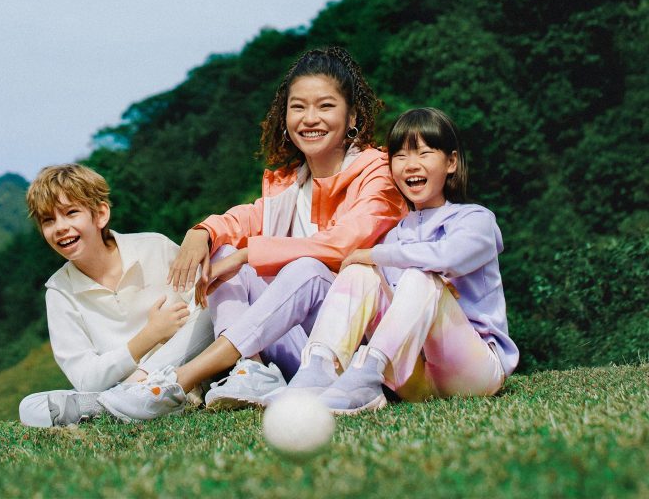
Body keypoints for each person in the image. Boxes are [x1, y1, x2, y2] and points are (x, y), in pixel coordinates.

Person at [96, 46, 407, 421]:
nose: (310, 119)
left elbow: (345, 244)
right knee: (223, 254)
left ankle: (180, 380)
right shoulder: (288, 184)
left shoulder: (380, 172)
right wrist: (204, 231)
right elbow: (245, 219)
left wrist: (249, 254)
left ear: (352, 115)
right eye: (298, 107)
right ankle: (251, 370)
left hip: (362, 345)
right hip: (303, 349)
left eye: (325, 106)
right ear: (284, 115)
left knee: (303, 267)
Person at [280, 107, 518, 413]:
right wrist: (370, 259)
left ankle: (368, 370)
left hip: (473, 372)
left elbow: (448, 257)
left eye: (424, 153)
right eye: (400, 156)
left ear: (451, 162)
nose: (410, 165)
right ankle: (318, 369)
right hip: (411, 376)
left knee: (420, 276)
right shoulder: (392, 234)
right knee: (360, 271)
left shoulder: (476, 221)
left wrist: (377, 254)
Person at [18, 164, 214, 427]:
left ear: (100, 214)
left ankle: (134, 397)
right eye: (48, 220)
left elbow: (207, 311)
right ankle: (130, 400)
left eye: (71, 213)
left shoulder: (154, 247)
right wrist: (149, 336)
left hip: (184, 378)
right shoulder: (59, 292)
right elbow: (86, 380)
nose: (60, 227)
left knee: (217, 300)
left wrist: (171, 336)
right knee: (30, 407)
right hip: (116, 391)